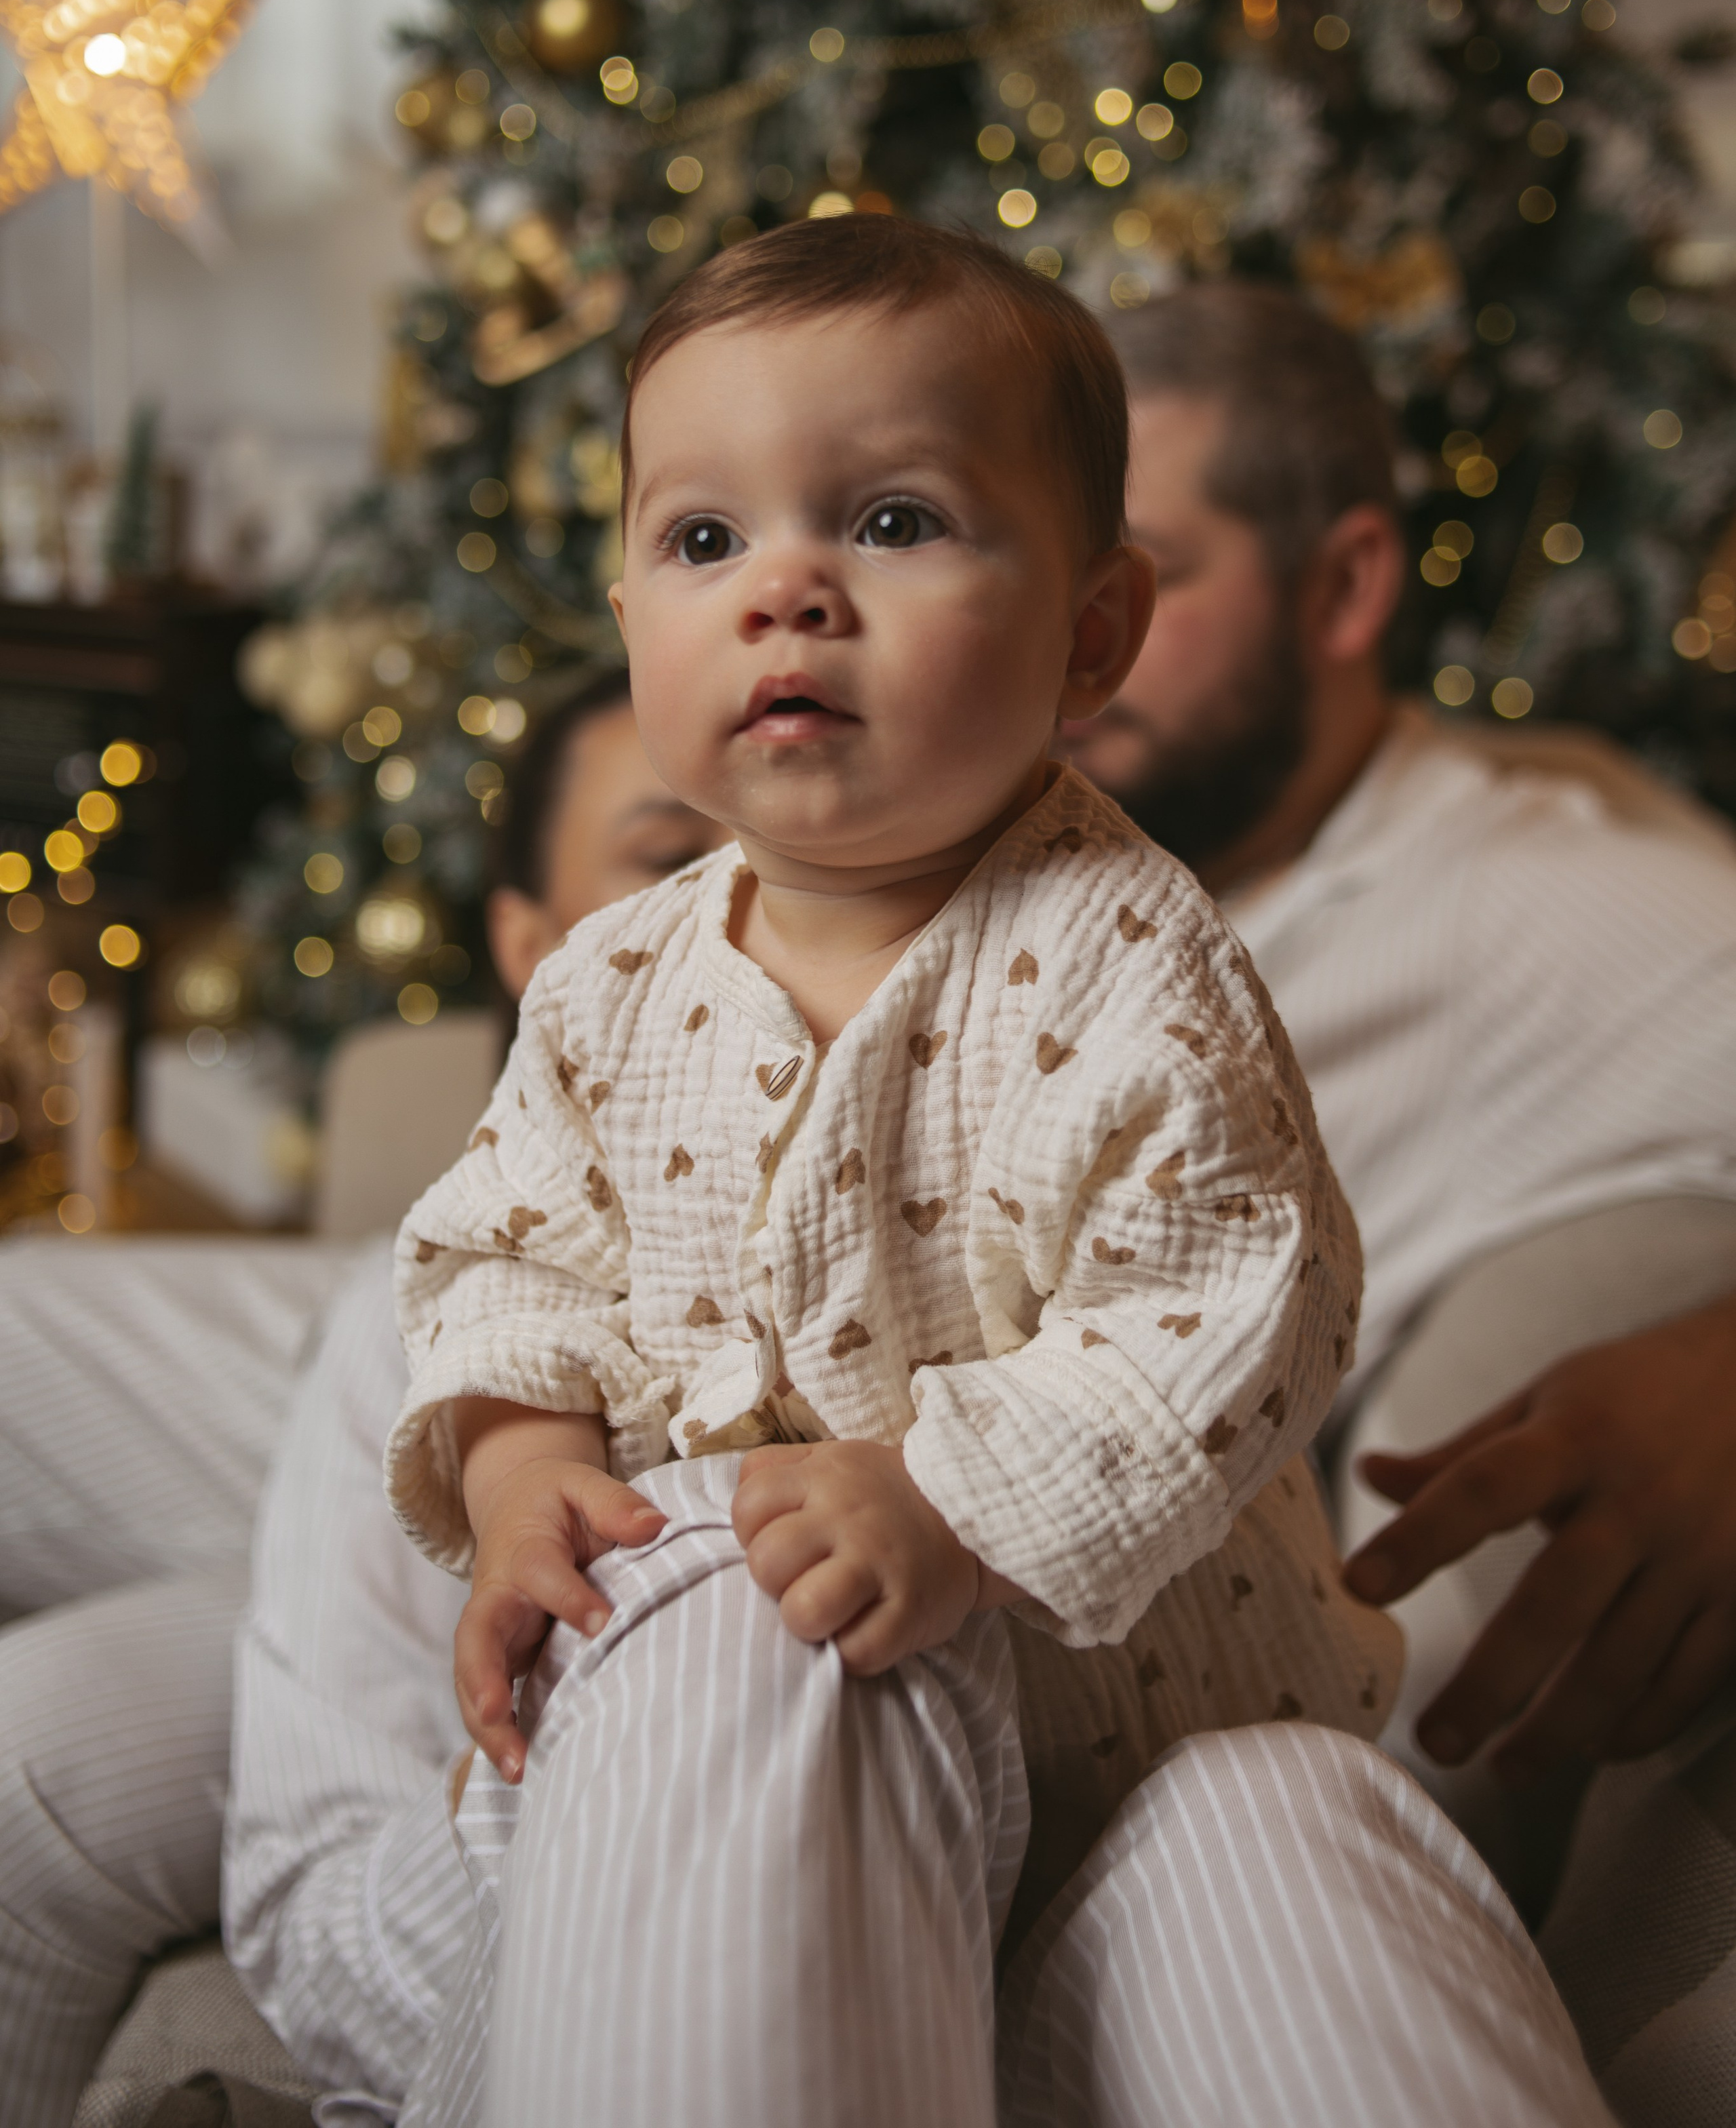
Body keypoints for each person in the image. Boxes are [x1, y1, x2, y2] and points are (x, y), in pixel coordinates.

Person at [378, 214, 1405, 2125]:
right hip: (756, 1744)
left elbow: (1232, 1311)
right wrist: (522, 1473)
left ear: (1093, 632)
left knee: (1183, 1949)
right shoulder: (608, 981)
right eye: (705, 540)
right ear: (629, 615)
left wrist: (954, 1503)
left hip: (1129, 1739)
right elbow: (509, 1260)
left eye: (894, 522)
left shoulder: (1133, 964)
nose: (787, 593)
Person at [1065, 277, 1736, 2107]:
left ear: (1347, 586)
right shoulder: (1043, 875)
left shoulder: (1544, 899)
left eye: (1146, 573)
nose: (1073, 639)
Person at [0, 669, 722, 2128]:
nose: (743, 905)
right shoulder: (426, 1313)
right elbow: (325, 1915)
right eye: (668, 854)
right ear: (526, 945)